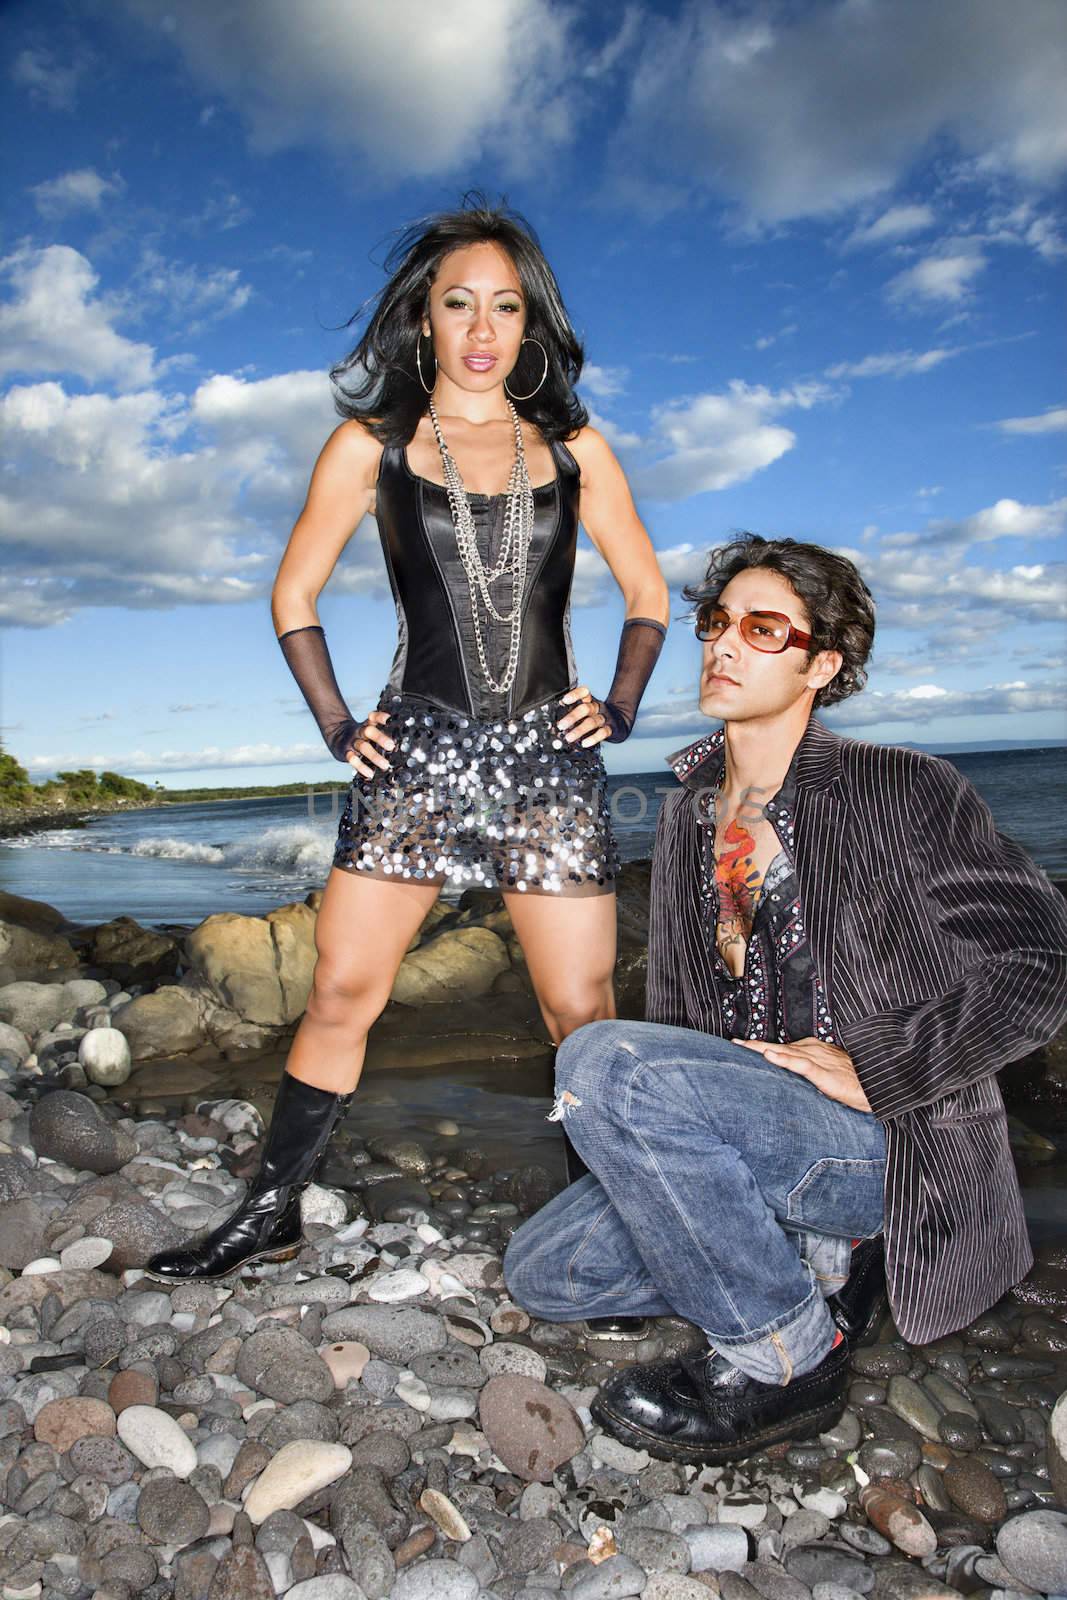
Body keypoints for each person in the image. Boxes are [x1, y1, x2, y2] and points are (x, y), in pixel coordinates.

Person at [145, 194, 670, 1285]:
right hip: (416, 751)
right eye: (459, 303)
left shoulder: (572, 448)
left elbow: (646, 589)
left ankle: (606, 1237)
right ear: (422, 319)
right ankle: (272, 1210)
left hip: (546, 758)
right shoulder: (369, 445)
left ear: (531, 324)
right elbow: (293, 591)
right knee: (343, 988)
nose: (483, 328)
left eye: (506, 307)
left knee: (580, 1007)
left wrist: (616, 704)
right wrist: (339, 722)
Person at [502, 532, 1067, 1463]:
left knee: (597, 1054)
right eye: (716, 623)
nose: (722, 646)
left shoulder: (901, 787)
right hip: (750, 1136)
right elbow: (683, 1022)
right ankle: (801, 1262)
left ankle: (787, 1356)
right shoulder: (686, 811)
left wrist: (878, 1065)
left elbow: (1040, 959)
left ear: (823, 664)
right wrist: (661, 1141)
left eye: (763, 629)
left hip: (880, 1138)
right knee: (546, 1273)